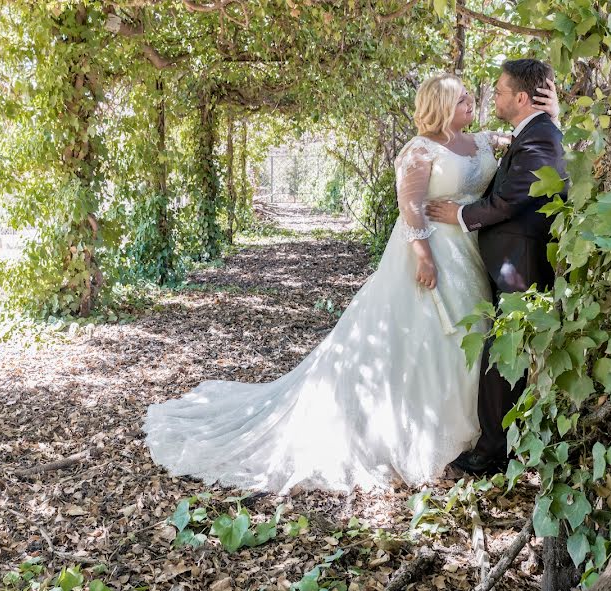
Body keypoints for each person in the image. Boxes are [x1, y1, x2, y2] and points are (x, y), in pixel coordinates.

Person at [142, 69, 560, 494]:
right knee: (427, 337)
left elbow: (534, 148)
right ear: (440, 107)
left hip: (470, 254)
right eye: (462, 100)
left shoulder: (485, 141)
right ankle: (424, 429)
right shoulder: (418, 150)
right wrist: (423, 257)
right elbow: (411, 207)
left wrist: (551, 114)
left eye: (471, 97)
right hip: (433, 250)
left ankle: (476, 428)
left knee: (472, 333)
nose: (473, 102)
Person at [427, 59, 567, 475]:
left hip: (519, 263)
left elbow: (511, 200)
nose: (496, 97)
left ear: (522, 98)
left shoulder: (540, 137)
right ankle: (500, 441)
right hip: (504, 260)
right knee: (503, 349)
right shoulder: (536, 131)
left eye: (502, 92)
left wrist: (462, 216)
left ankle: (491, 452)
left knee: (503, 353)